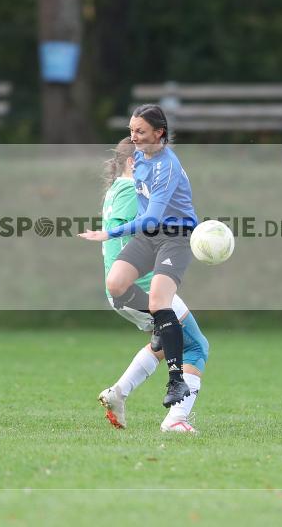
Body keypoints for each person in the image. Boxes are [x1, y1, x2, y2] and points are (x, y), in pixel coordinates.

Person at [79, 104, 198, 409]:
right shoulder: (142, 158)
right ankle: (160, 326)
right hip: (150, 235)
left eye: (140, 131)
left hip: (174, 237)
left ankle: (176, 381)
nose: (133, 137)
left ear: (159, 133)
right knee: (116, 284)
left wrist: (110, 233)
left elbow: (152, 217)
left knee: (160, 304)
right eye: (131, 130)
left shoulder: (166, 166)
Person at [96, 137, 208, 432]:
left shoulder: (117, 189)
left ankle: (118, 393)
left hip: (126, 291)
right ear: (133, 162)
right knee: (196, 347)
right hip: (144, 290)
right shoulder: (132, 191)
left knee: (168, 345)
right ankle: (176, 419)